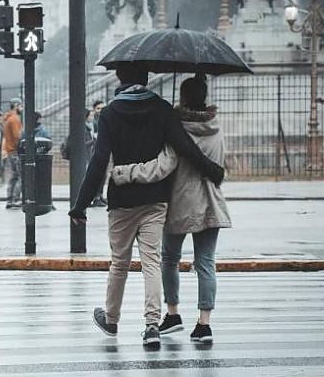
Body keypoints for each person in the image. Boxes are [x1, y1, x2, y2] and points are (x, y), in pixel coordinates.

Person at [68, 63, 225, 349]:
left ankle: (112, 319)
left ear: (119, 78)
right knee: (151, 262)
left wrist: (80, 205)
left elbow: (99, 160)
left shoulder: (110, 113)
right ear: (147, 77)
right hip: (156, 199)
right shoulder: (163, 109)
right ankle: (152, 325)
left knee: (119, 263)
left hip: (122, 200)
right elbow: (185, 147)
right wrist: (212, 169)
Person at [112, 76, 232, 344]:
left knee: (168, 259)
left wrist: (127, 174)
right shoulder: (216, 126)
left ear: (184, 97)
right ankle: (204, 324)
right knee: (206, 263)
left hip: (180, 200)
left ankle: (173, 313)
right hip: (211, 202)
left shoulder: (177, 128)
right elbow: (220, 162)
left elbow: (165, 165)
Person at [3, 98, 23, 209]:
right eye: (20, 106)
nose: (22, 108)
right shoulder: (15, 119)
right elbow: (17, 136)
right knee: (21, 177)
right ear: (16, 106)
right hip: (16, 151)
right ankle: (16, 199)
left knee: (13, 177)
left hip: (10, 151)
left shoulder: (8, 119)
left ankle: (9, 199)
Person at [92, 100, 109, 207]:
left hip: (104, 150)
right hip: (96, 151)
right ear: (94, 109)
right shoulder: (93, 122)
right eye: (98, 108)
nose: (101, 110)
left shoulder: (106, 119)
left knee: (103, 175)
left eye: (103, 108)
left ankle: (100, 195)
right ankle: (96, 197)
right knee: (97, 176)